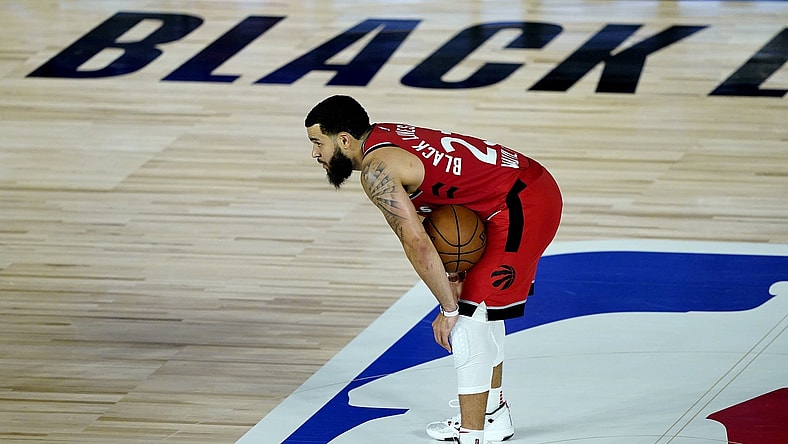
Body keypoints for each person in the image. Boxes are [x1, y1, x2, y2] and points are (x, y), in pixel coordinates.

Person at [305, 95, 562, 444]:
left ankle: (473, 436)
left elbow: (416, 242)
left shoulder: (377, 170)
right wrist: (453, 277)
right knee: (482, 311)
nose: (315, 154)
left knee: (467, 320)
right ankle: (494, 416)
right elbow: (436, 206)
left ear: (345, 140)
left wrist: (449, 307)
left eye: (318, 143)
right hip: (517, 190)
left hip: (520, 203)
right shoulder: (385, 138)